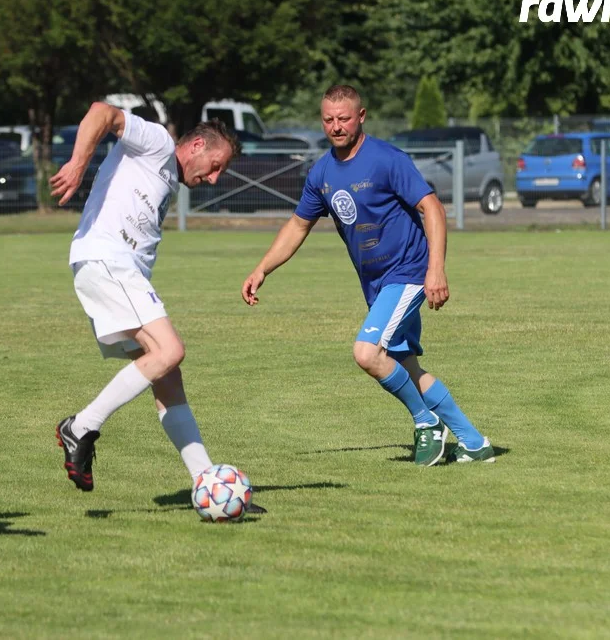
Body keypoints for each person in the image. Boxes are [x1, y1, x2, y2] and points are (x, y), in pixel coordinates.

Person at [241, 85, 494, 467]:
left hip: (408, 272)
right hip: (376, 284)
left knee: (366, 353)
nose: (336, 126)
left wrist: (436, 271)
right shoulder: (322, 172)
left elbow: (433, 209)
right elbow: (297, 226)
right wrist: (262, 268)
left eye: (344, 118)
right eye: (328, 119)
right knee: (405, 365)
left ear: (361, 117)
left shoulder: (387, 159)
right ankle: (474, 443)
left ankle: (426, 424)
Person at [51, 103, 265, 512]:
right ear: (198, 144)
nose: (214, 179)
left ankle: (205, 479)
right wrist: (78, 163)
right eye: (215, 165)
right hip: (107, 260)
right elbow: (100, 112)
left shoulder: (165, 172)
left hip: (117, 270)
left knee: (168, 376)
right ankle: (81, 426)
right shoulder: (157, 142)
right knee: (169, 351)